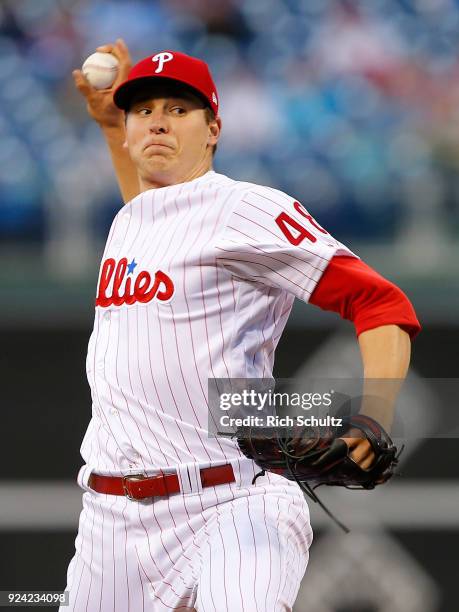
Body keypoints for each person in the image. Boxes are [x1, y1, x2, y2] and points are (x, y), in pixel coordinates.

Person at [62, 39, 420, 611]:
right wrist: (111, 127)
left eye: (178, 111)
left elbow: (380, 302)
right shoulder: (132, 219)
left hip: (229, 500)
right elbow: (161, 219)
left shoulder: (243, 209)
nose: (158, 124)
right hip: (110, 519)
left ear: (213, 129)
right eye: (144, 111)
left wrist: (373, 417)